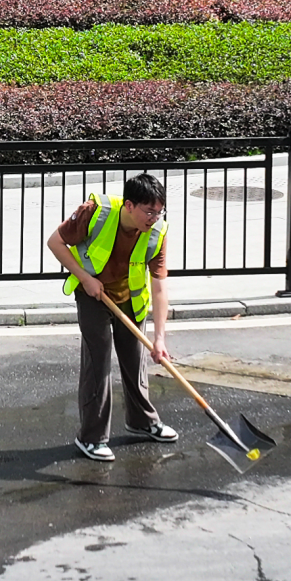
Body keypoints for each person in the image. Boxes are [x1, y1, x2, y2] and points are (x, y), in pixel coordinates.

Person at [47, 173, 178, 462]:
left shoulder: (157, 232)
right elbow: (55, 242)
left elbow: (159, 286)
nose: (154, 218)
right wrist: (85, 278)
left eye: (159, 212)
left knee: (135, 360)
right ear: (129, 206)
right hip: (93, 294)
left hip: (130, 298)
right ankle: (91, 437)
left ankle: (142, 422)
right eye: (149, 212)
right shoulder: (96, 213)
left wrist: (159, 339)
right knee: (99, 362)